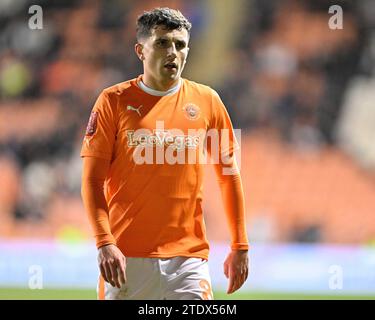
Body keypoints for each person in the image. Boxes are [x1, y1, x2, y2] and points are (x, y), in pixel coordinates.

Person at [81, 7, 249, 300]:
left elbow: (229, 175)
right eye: (162, 43)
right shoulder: (112, 102)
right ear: (140, 51)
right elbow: (92, 181)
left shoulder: (209, 101)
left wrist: (240, 246)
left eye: (180, 44)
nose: (173, 52)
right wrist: (104, 243)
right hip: (125, 259)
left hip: (189, 261)